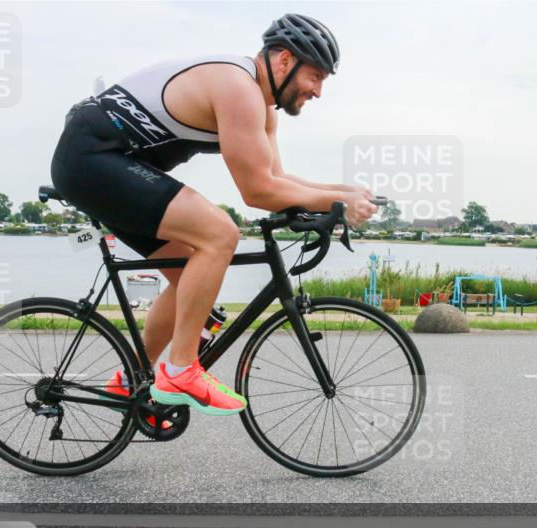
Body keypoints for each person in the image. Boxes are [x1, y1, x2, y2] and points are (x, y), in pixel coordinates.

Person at [50, 14, 377, 417]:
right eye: (316, 76)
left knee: (189, 268)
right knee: (220, 232)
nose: (318, 91)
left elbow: (276, 177)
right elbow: (257, 192)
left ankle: (130, 380)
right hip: (90, 159)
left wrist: (343, 194)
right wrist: (333, 202)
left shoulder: (262, 107)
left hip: (114, 166)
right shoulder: (238, 88)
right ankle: (180, 371)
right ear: (285, 61)